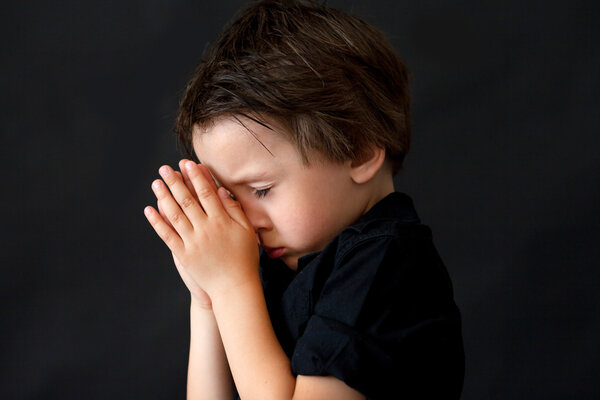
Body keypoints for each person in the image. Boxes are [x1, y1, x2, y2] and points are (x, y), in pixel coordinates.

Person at [144, 0, 464, 398]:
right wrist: (207, 299)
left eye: (261, 190)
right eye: (230, 198)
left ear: (359, 150)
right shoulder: (271, 267)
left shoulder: (386, 264)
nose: (246, 221)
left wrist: (230, 286)